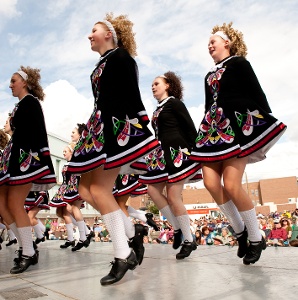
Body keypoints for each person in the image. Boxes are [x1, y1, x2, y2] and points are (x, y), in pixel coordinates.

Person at [66, 13, 159, 286]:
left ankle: (123, 253)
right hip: (98, 127)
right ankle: (133, 229)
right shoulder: (99, 66)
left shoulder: (121, 57)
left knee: (98, 190)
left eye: (93, 30)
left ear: (108, 34)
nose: (89, 35)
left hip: (114, 128)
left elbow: (132, 93)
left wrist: (139, 122)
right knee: (84, 189)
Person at [190, 22, 287, 265]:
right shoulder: (208, 75)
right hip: (211, 131)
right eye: (208, 43)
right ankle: (241, 231)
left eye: (215, 40)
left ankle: (256, 237)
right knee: (211, 183)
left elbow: (257, 93)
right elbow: (207, 105)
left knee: (232, 185)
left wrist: (260, 123)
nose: (210, 45)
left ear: (228, 43)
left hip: (235, 129)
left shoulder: (239, 63)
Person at [139, 71, 201, 260]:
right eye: (152, 84)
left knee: (174, 196)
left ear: (167, 85)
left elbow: (190, 128)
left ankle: (189, 240)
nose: (153, 86)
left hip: (177, 153)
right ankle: (177, 228)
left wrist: (197, 152)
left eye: (156, 83)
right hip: (160, 156)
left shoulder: (174, 103)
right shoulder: (157, 109)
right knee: (152, 190)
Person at [0, 66, 56, 274]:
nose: (10, 85)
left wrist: (36, 158)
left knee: (14, 203)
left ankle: (28, 251)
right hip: (13, 159)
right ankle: (27, 247)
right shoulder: (20, 105)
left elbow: (36, 134)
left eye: (14, 81)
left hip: (24, 160)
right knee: (2, 203)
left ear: (24, 82)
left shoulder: (31, 103)